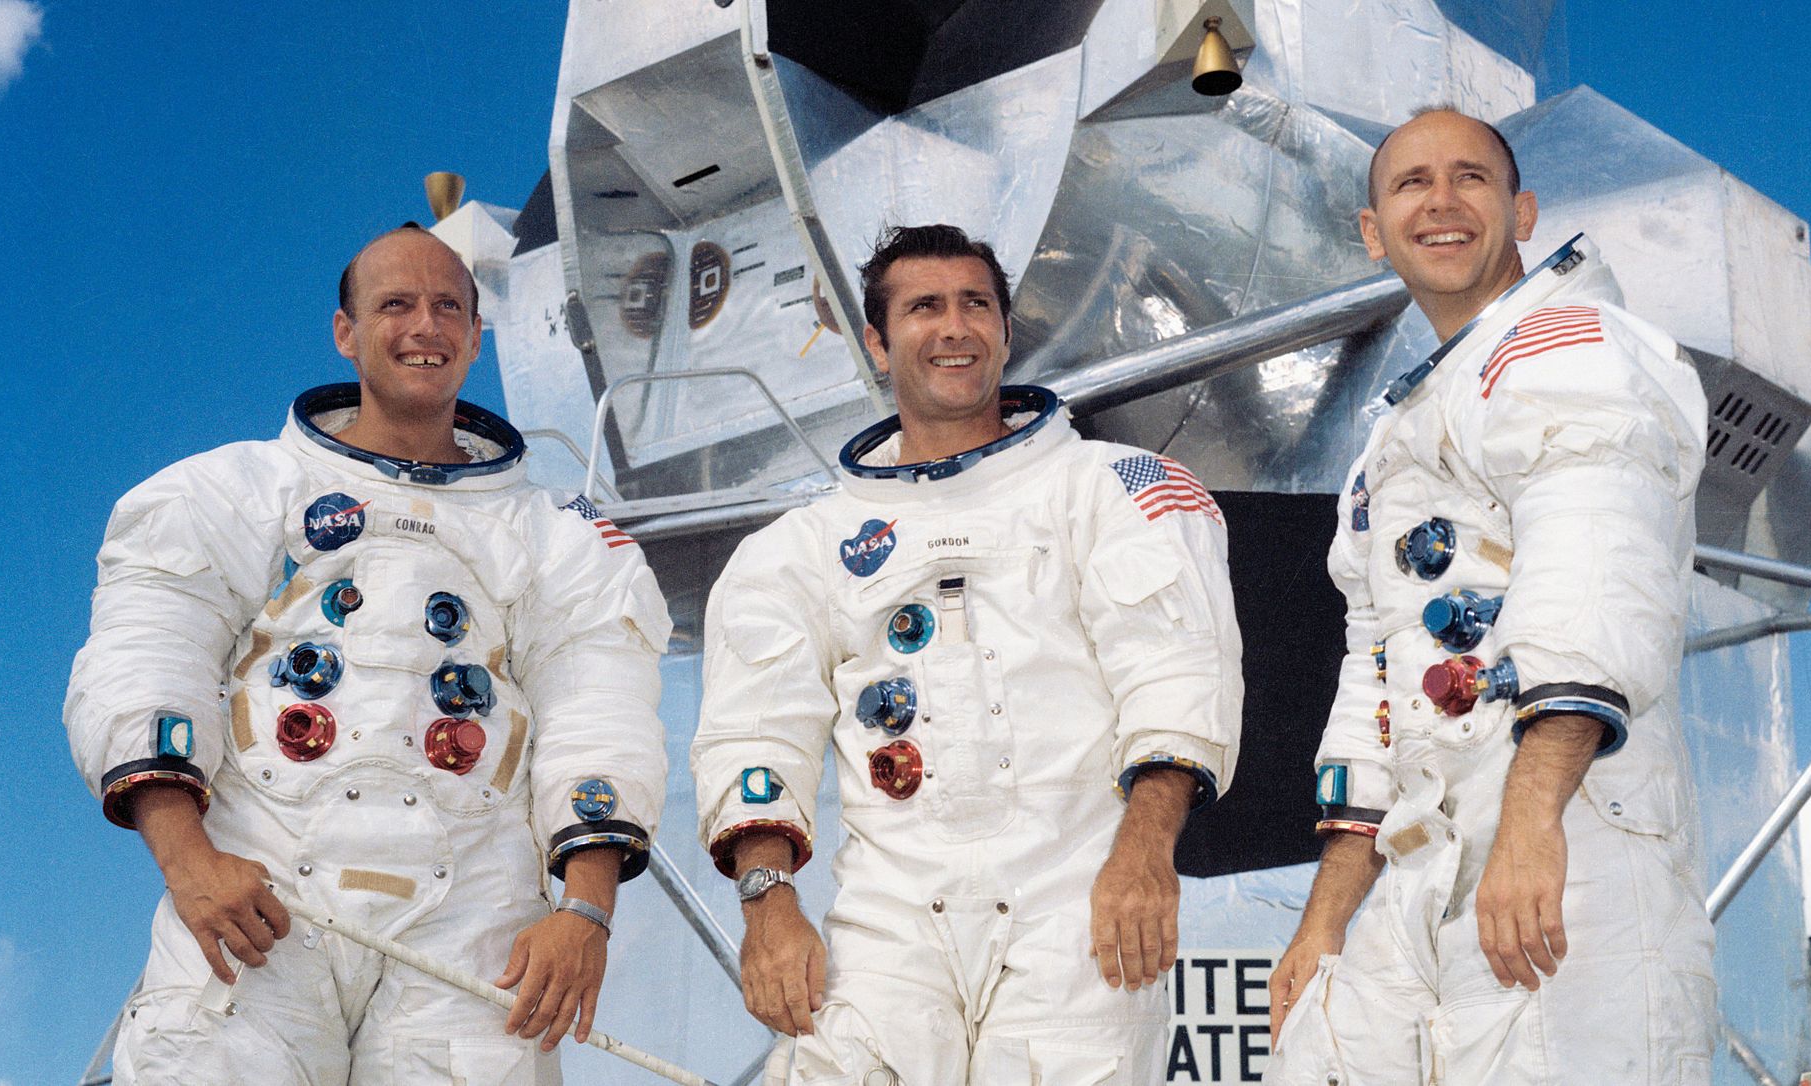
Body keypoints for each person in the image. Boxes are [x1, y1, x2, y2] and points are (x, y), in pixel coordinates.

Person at [65, 226, 671, 1084]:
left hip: (474, 926)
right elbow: (146, 659)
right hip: (257, 906)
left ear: (474, 337)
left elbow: (599, 714)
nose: (424, 326)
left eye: (447, 308)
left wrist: (585, 910)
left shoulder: (559, 539)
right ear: (345, 332)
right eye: (395, 304)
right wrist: (188, 863)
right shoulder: (229, 491)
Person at [690, 223, 1245, 1083]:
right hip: (892, 922)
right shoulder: (798, 547)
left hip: (1075, 907)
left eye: (974, 305)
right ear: (876, 342)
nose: (954, 328)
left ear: (1006, 329)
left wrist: (1144, 854)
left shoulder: (1114, 487)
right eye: (923, 309)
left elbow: (1176, 676)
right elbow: (756, 731)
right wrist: (768, 904)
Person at [1265, 108, 1718, 1082]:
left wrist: (1531, 819)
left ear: (1522, 209)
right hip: (1425, 858)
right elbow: (1378, 681)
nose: (1441, 201)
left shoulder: (1568, 345)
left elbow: (1594, 561)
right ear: (1372, 231)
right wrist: (1326, 919)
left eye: (1469, 177)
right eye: (1410, 184)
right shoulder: (1396, 438)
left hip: (1569, 826)